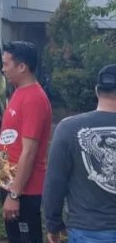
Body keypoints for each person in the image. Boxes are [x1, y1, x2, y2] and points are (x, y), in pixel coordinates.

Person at [43, 64, 116, 243]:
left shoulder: (68, 128)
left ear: (96, 91)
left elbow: (55, 181)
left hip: (88, 230)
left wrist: (53, 223)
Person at [0, 41, 52, 243]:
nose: (2, 69)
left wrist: (15, 195)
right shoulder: (19, 91)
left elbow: (29, 151)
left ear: (22, 67)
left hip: (24, 191)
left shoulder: (34, 99)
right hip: (11, 184)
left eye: (6, 64)